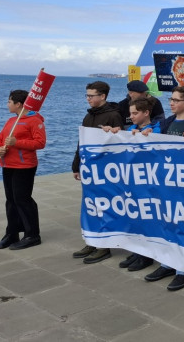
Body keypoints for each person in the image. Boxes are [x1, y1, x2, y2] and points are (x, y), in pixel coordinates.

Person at [144, 85, 184, 291]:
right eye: (171, 99)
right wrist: (143, 133)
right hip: (167, 183)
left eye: (176, 99)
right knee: (167, 223)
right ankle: (168, 262)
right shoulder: (166, 123)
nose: (171, 102)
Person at [72, 81, 124, 264]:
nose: (88, 98)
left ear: (102, 96)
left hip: (106, 170)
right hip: (90, 167)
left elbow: (121, 141)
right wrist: (76, 164)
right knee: (90, 206)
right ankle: (92, 240)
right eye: (87, 95)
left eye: (91, 95)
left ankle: (104, 246)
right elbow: (82, 142)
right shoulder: (88, 117)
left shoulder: (113, 115)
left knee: (105, 206)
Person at [0, 90, 46, 250]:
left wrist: (17, 142)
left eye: (10, 101)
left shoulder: (35, 120)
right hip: (8, 164)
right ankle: (12, 232)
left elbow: (40, 142)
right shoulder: (11, 120)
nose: (7, 104)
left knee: (22, 199)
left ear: (19, 104)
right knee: (10, 200)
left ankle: (32, 235)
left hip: (24, 166)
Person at [113, 97, 160, 272]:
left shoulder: (157, 129)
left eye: (135, 113)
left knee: (148, 218)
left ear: (146, 113)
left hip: (149, 181)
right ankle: (138, 250)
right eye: (130, 113)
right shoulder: (130, 130)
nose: (131, 116)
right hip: (133, 180)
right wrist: (114, 133)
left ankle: (147, 255)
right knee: (134, 217)